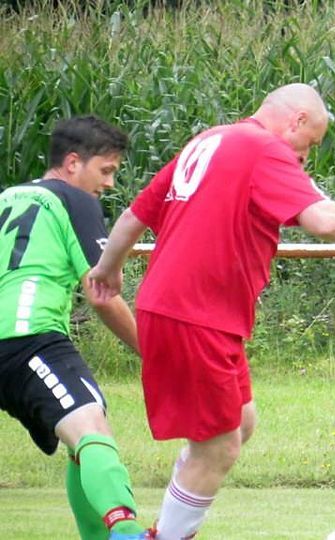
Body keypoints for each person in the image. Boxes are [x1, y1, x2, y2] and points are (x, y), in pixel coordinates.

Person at [87, 83, 335, 539]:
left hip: (191, 311)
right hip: (195, 312)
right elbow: (323, 220)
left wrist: (108, 269)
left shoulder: (209, 140)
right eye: (311, 142)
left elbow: (132, 217)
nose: (306, 157)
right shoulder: (263, 148)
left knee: (240, 421)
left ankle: (173, 518)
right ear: (297, 120)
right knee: (219, 446)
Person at [0, 115, 151, 539]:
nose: (109, 183)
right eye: (106, 170)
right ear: (72, 164)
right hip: (28, 338)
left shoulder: (7, 198)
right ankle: (127, 532)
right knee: (91, 430)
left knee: (80, 436)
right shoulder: (72, 199)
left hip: (15, 342)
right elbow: (101, 294)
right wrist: (154, 354)